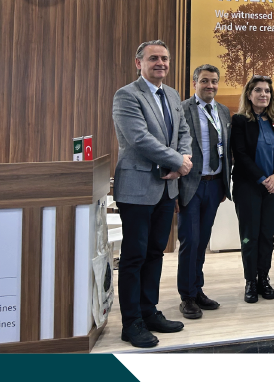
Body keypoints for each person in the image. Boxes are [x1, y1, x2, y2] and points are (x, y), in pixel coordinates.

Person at [112, 40, 192, 348]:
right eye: (154, 58)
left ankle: (148, 311)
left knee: (156, 252)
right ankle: (131, 322)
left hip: (166, 188)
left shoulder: (171, 94)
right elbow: (139, 139)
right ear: (139, 63)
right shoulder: (127, 95)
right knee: (134, 256)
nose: (161, 63)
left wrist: (183, 160)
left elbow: (183, 132)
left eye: (165, 58)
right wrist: (177, 161)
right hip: (137, 188)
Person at [176, 64, 232, 319]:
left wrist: (224, 184)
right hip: (190, 185)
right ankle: (187, 297)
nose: (210, 85)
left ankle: (197, 289)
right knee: (190, 241)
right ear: (195, 83)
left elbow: (226, 149)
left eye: (214, 81)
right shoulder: (182, 109)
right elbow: (174, 147)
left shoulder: (223, 111)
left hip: (215, 184)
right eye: (205, 81)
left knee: (202, 241)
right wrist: (175, 190)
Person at [230, 76, 274, 304]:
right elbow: (240, 154)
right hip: (249, 186)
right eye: (258, 90)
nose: (263, 94)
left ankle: (264, 278)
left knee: (267, 234)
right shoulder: (239, 121)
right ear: (249, 94)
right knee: (250, 235)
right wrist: (262, 178)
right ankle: (250, 282)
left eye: (267, 91)